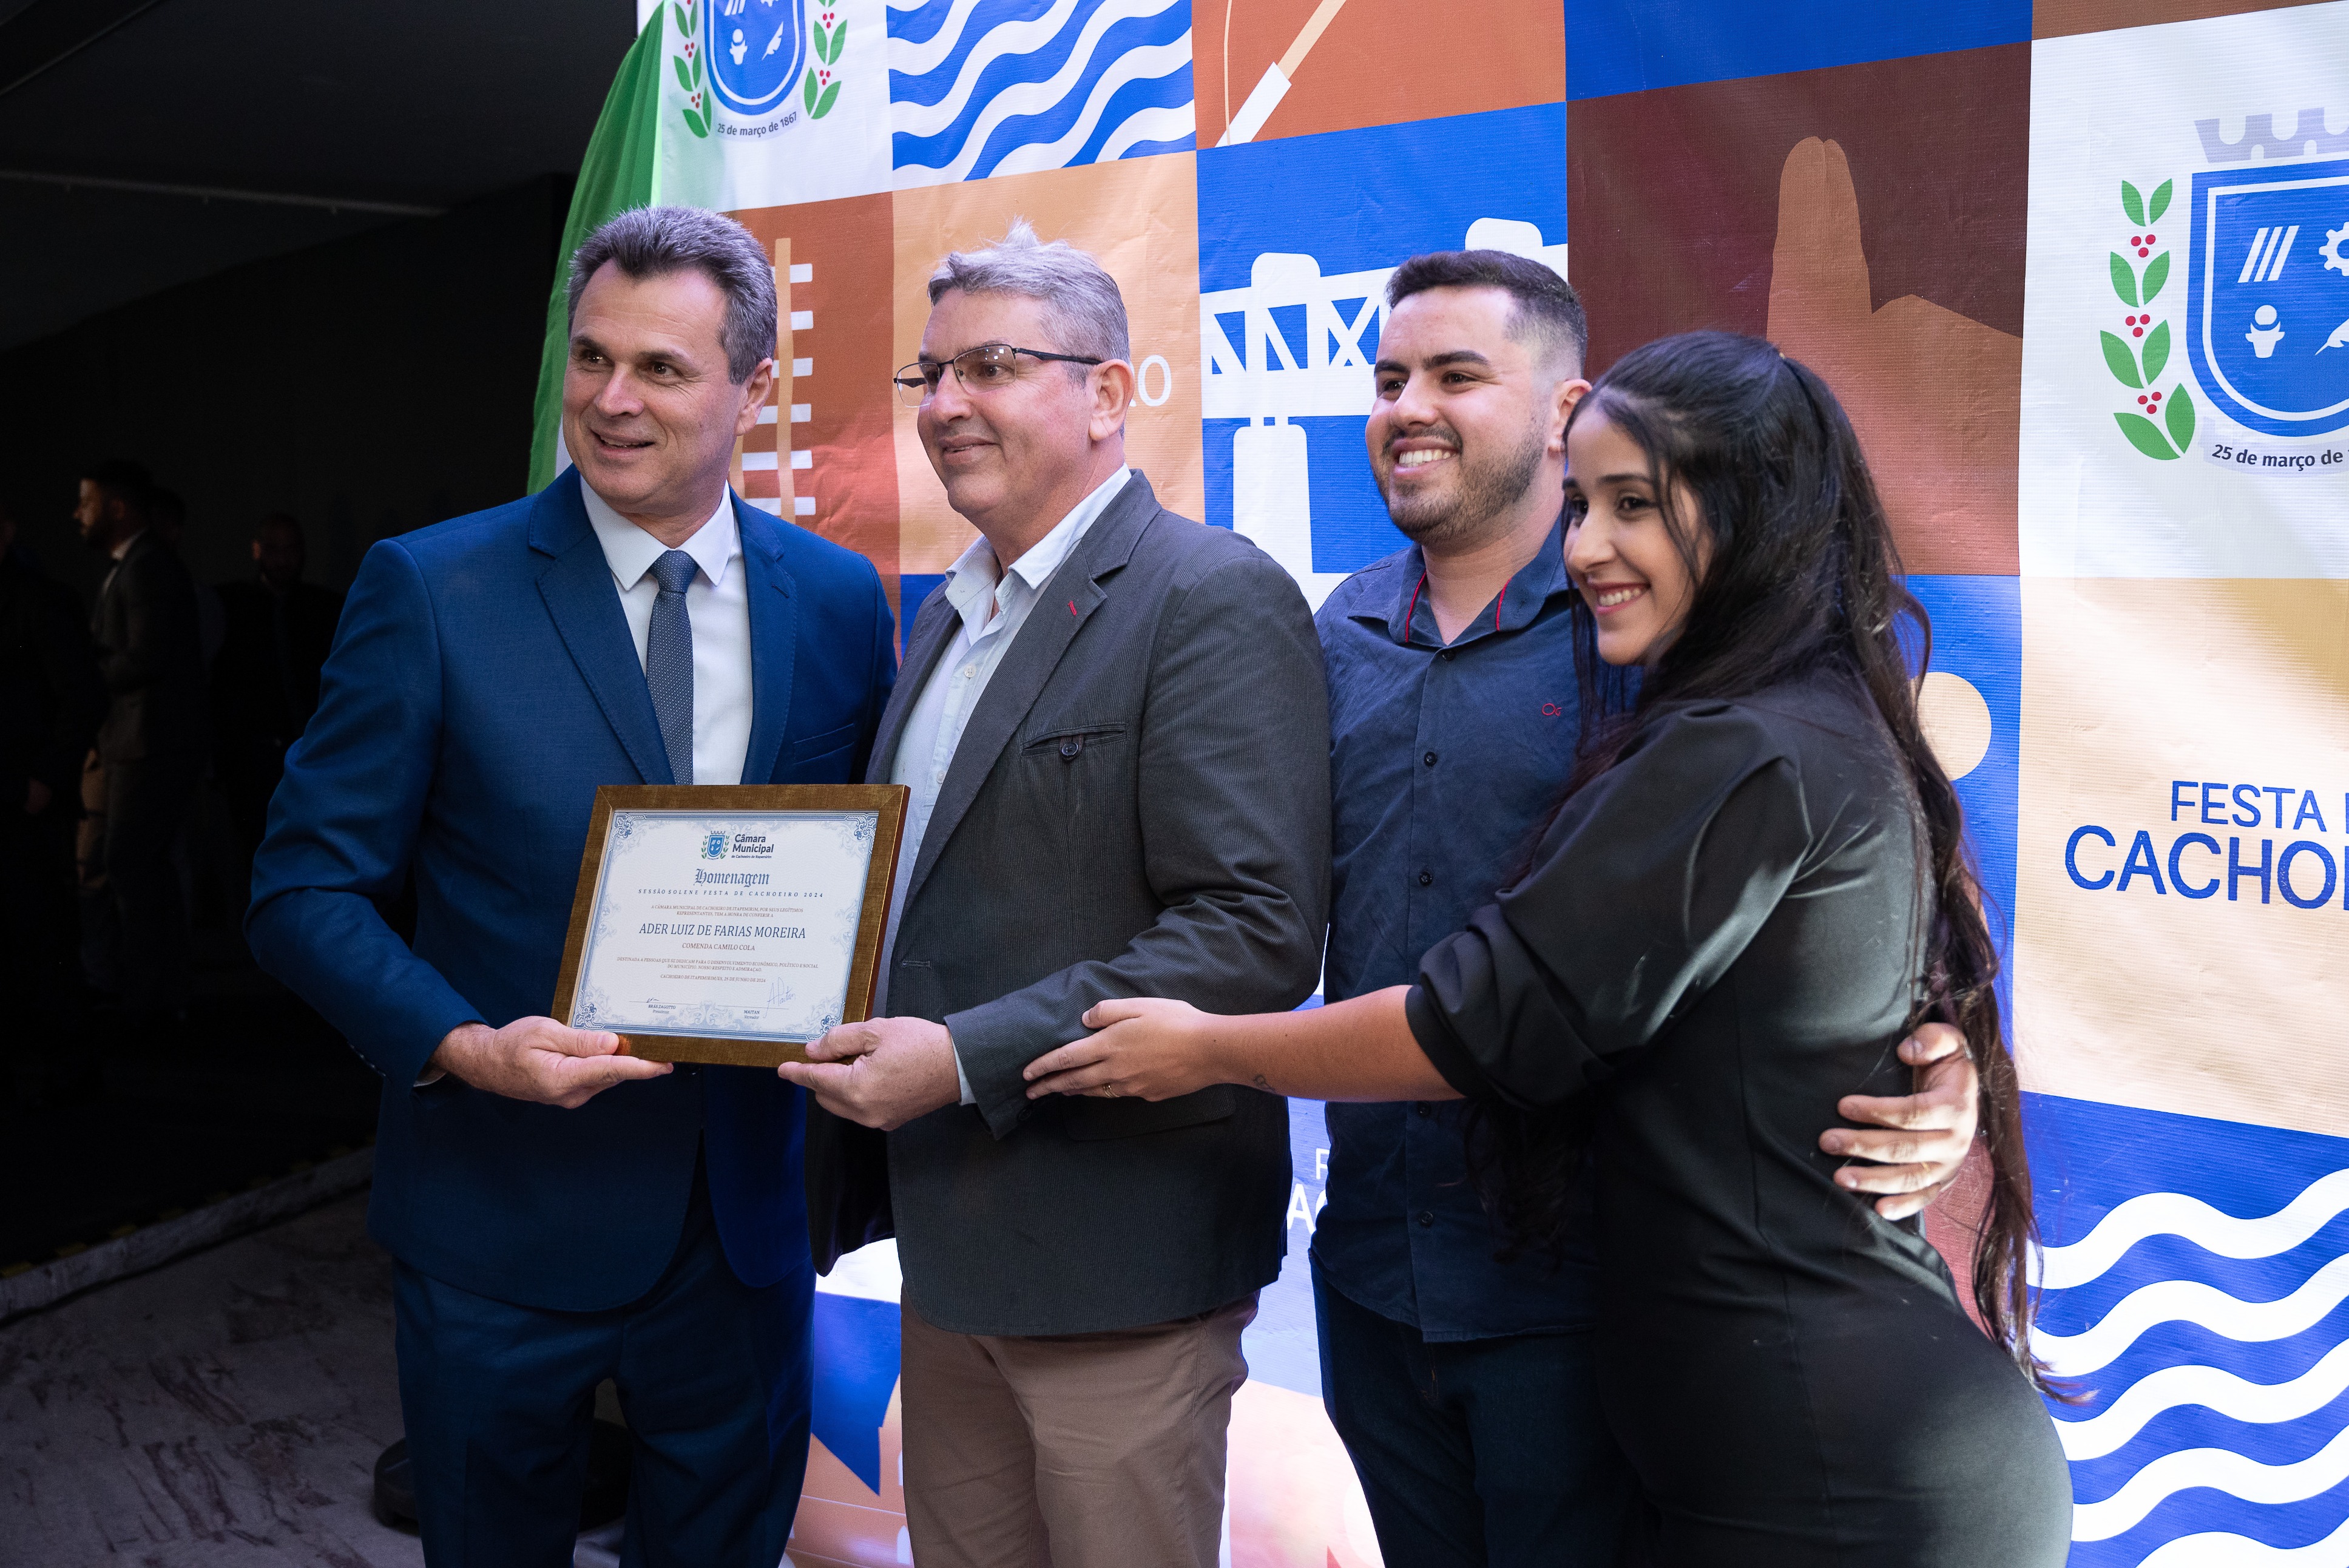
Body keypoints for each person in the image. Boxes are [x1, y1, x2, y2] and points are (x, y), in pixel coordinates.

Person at [1025, 330, 2074, 1566]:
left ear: (1756, 508)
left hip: (1829, 1459)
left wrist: (1205, 1047)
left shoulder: (1742, 740)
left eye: (1634, 504)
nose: (1585, 547)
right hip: (1733, 1415)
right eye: (1582, 505)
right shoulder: (1751, 712)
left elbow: (1481, 1021)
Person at [1305, 254, 1988, 1565]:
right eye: (1388, 378)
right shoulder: (1335, 629)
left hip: (1582, 1302)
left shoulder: (1664, 635)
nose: (1409, 406)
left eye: (1455, 373)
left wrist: (1936, 1039)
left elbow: (1864, 852)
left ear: (1564, 409)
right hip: (1373, 1276)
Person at [247, 206, 897, 1567]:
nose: (610, 399)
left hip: (743, 1232)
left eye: (661, 367)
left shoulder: (840, 602)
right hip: (498, 1220)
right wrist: (460, 1044)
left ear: (752, 387)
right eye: (591, 357)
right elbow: (303, 889)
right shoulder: (433, 588)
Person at [780, 221, 1330, 1568]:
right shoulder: (944, 615)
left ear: (1107, 393)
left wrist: (962, 1057)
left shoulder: (1207, 593)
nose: (946, 404)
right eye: (929, 375)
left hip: (1120, 1259)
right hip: (949, 1245)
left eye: (992, 366)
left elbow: (1252, 931)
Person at [78, 459, 208, 1020]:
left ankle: (151, 1001)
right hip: (141, 742)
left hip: (149, 744)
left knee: (131, 864)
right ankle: (160, 998)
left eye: (87, 503)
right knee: (140, 867)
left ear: (118, 507)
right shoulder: (136, 565)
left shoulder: (147, 565)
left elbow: (147, 655)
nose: (78, 514)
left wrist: (83, 673)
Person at [0, 499, 105, 1101]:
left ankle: (70, 1068)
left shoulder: (40, 601)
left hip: (26, 801)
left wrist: (44, 780)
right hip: (20, 792)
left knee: (42, 936)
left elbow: (82, 696)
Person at [212, 513, 343, 857]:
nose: (283, 560)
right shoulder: (231, 607)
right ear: (257, 550)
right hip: (251, 757)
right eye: (274, 549)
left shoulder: (323, 609)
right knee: (254, 847)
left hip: (311, 750)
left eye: (291, 550)